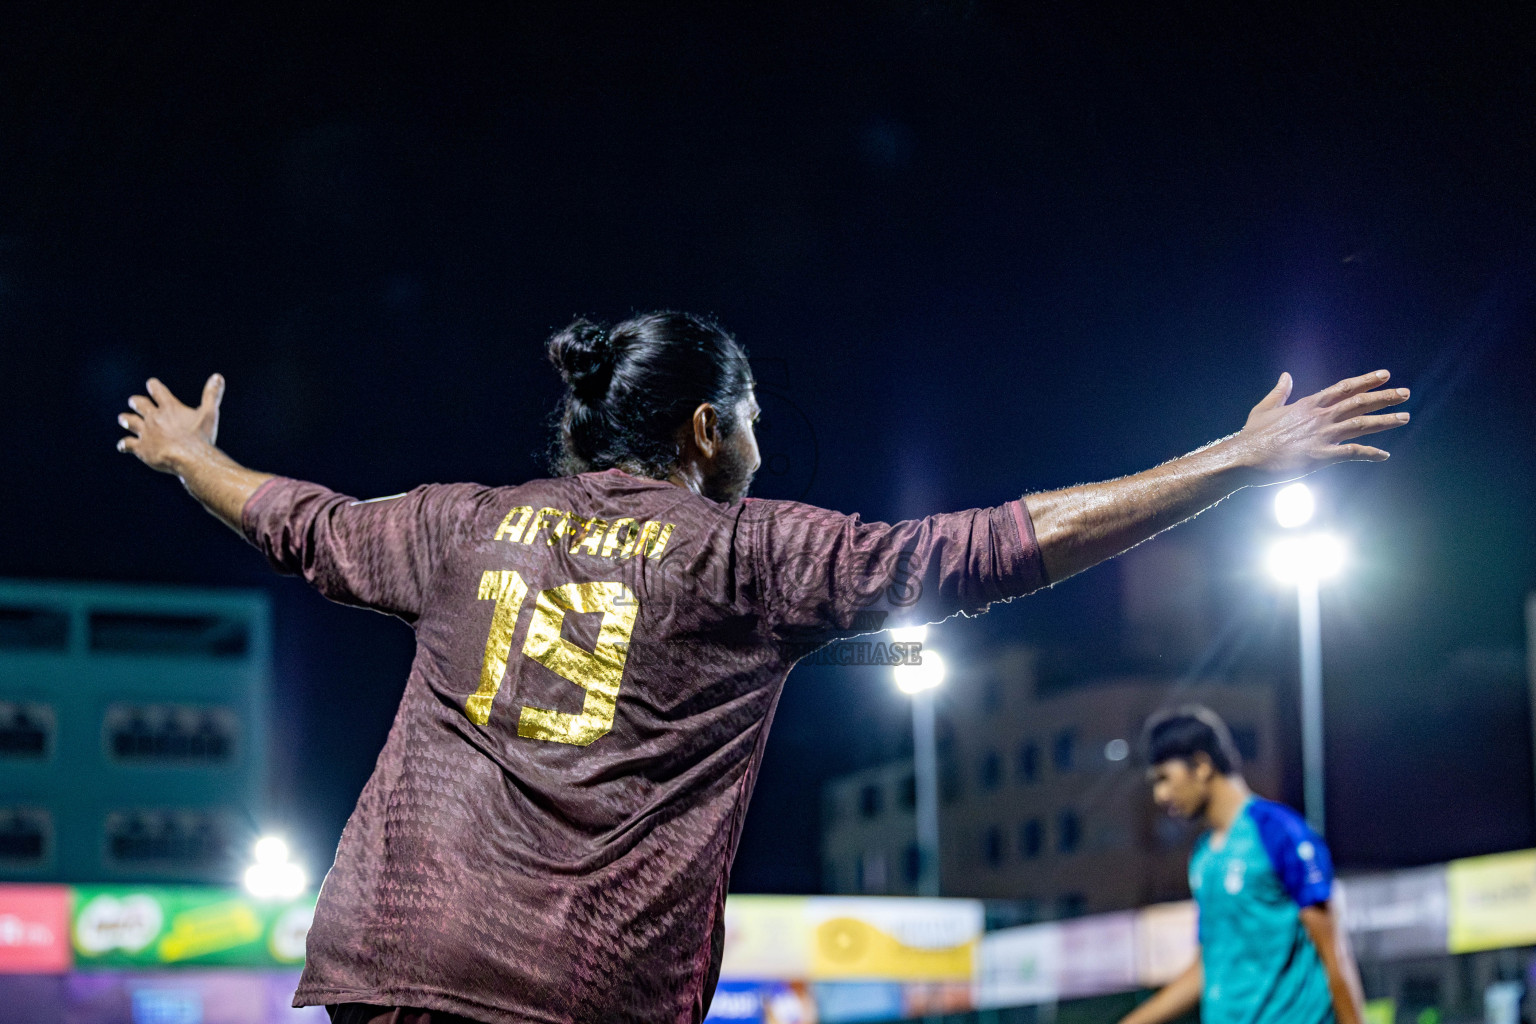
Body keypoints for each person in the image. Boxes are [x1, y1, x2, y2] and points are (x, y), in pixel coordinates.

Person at [115, 311, 1407, 1024]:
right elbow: (994, 548)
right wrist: (1229, 463)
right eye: (749, 419)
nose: (759, 442)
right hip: (576, 995)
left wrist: (187, 458)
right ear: (702, 427)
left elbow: (301, 519)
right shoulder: (749, 555)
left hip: (394, 971)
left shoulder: (457, 524)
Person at [1120, 706, 1365, 1024]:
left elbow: (1335, 955)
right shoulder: (1204, 857)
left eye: (1165, 778)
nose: (1160, 795)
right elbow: (1207, 969)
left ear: (1202, 765)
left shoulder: (1277, 832)